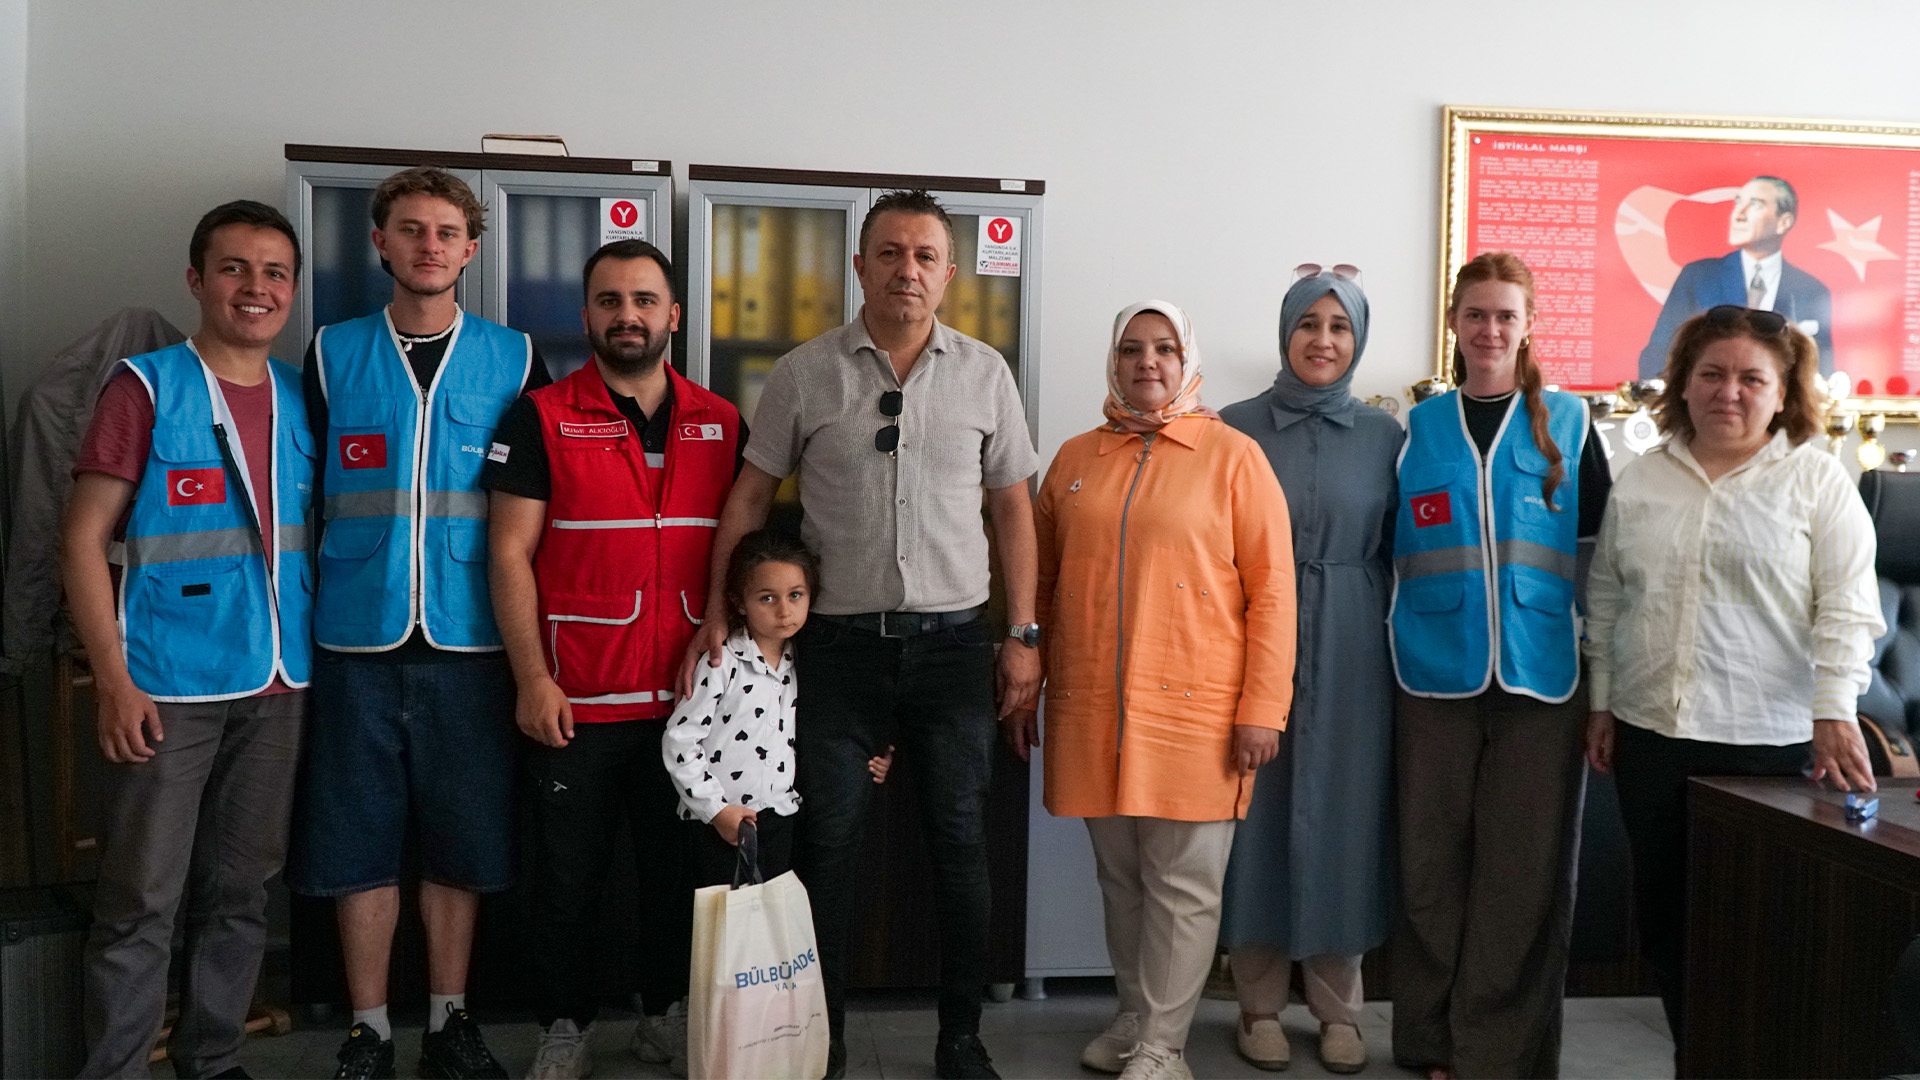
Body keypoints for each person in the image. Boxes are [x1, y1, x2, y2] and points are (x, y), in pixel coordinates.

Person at [683, 189, 1041, 1080]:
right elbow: (751, 496)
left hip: (955, 648)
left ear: (949, 274)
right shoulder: (805, 373)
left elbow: (1013, 509)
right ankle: (822, 1037)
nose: (906, 271)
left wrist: (1024, 634)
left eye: (924, 256)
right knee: (829, 846)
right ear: (860, 266)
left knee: (959, 842)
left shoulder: (985, 374)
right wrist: (719, 608)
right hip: (836, 652)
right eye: (889, 253)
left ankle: (961, 1037)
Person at [287, 166, 546, 1080]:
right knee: (355, 840)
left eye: (445, 232)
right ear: (380, 243)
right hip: (353, 639)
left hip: (473, 639)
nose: (428, 246)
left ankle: (449, 1021)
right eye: (411, 229)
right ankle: (368, 1029)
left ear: (470, 250)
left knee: (461, 841)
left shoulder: (514, 359)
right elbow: (299, 494)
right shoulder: (331, 354)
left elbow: (536, 510)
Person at [1009, 300, 1296, 1080]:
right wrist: (1028, 679)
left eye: (1164, 348)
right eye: (1132, 349)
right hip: (1092, 710)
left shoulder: (1233, 457)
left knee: (1184, 885)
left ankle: (1166, 1048)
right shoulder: (1076, 457)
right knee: (1123, 880)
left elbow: (1274, 594)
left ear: (1186, 359)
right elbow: (1039, 584)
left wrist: (1262, 708)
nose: (1148, 363)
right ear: (1113, 361)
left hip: (1198, 713)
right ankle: (1137, 1017)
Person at [63, 200, 313, 1079]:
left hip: (278, 683)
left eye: (275, 272)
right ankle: (117, 1068)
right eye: (235, 268)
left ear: (292, 290)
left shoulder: (299, 396)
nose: (256, 288)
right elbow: (81, 539)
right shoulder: (145, 386)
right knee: (141, 899)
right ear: (197, 280)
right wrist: (113, 679)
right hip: (167, 686)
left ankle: (212, 1058)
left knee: (241, 891)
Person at [1586, 304, 1882, 1046]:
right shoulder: (1643, 479)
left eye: (1752, 378)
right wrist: (1601, 703)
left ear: (1782, 394)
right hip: (1651, 734)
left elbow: (1848, 608)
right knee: (1668, 925)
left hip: (1769, 745)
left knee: (1764, 929)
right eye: (1712, 374)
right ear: (1683, 384)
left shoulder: (1817, 481)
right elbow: (1609, 596)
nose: (1729, 391)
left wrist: (1834, 709)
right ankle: (1697, 1056)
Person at [484, 239, 742, 1080]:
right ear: (587, 315)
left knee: (676, 879)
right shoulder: (540, 416)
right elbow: (509, 554)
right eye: (609, 301)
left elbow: (746, 552)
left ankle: (664, 1015)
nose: (627, 316)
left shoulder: (721, 421)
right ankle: (565, 1024)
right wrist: (532, 678)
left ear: (673, 315)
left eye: (643, 300)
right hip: (579, 698)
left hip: (689, 706)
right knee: (567, 881)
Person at [1390, 251, 1611, 1080]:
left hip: (1542, 683)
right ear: (1453, 322)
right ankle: (1429, 1043)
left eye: (1505, 316)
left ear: (1528, 326)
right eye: (1476, 314)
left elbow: (1602, 563)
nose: (1489, 329)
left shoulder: (1572, 425)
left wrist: (1604, 689)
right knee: (1428, 871)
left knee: (1520, 879)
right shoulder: (1415, 430)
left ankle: (1494, 1055)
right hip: (1430, 676)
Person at [1217, 266, 1402, 1075]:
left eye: (1339, 327)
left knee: (1346, 817)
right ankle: (1256, 1004)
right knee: (1254, 813)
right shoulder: (1234, 427)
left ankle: (1337, 1009)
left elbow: (1405, 547)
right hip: (1251, 635)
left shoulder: (1387, 436)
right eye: (1308, 324)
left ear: (1357, 340)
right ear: (1285, 332)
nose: (1322, 340)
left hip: (1356, 642)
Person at [663, 529, 895, 889]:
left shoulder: (806, 663)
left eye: (795, 595)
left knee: (769, 919)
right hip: (716, 822)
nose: (784, 611)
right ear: (739, 602)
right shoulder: (721, 663)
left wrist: (878, 751)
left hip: (779, 818)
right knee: (717, 922)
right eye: (767, 598)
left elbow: (840, 721)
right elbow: (679, 741)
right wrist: (715, 810)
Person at [1638, 176, 1833, 378]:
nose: (1738, 214)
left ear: (1783, 222)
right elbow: (1657, 354)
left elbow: (1821, 369)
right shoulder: (1698, 276)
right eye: (1738, 203)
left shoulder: (1811, 290)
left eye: (1755, 204)